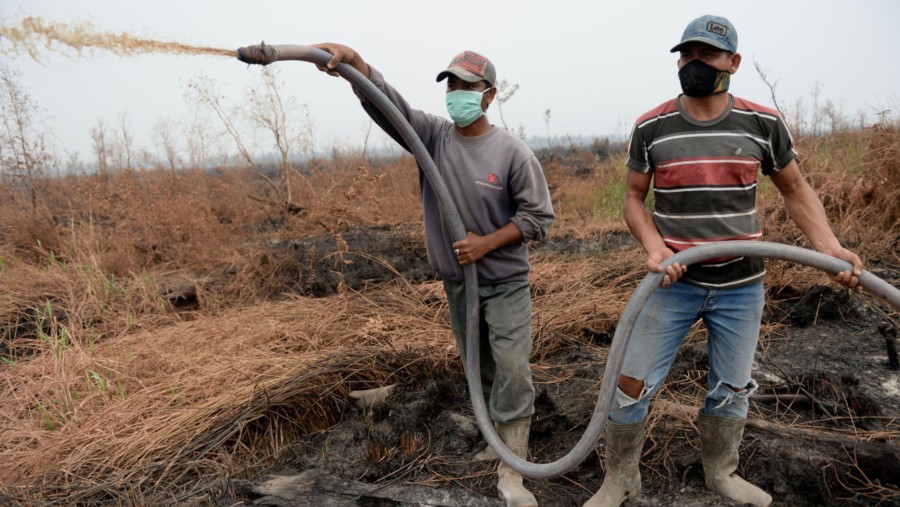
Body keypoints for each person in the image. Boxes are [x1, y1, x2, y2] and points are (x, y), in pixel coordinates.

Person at [584, 14, 864, 507]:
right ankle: (621, 478)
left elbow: (795, 188)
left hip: (742, 283)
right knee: (630, 381)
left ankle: (721, 473)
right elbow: (633, 198)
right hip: (673, 280)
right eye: (686, 55)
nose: (694, 64)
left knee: (732, 385)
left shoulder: (762, 122)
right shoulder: (651, 126)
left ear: (732, 62)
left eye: (707, 55)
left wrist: (829, 248)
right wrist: (654, 248)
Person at [313, 43, 555, 507]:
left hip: (503, 282)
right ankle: (494, 440)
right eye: (452, 85)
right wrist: (355, 67)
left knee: (511, 368)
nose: (457, 93)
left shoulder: (511, 153)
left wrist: (486, 242)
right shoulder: (433, 138)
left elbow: (539, 218)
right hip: (459, 283)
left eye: (468, 86)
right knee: (478, 364)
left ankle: (514, 469)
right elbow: (391, 109)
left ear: (489, 95)